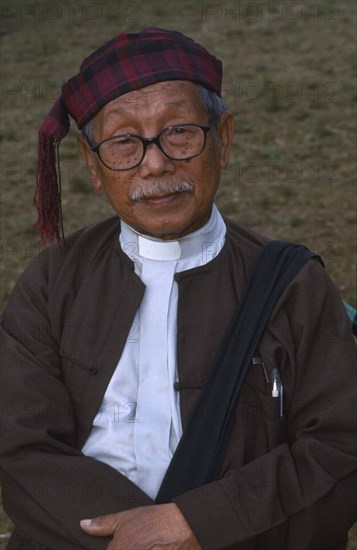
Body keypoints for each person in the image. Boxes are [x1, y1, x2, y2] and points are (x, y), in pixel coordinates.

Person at [0, 27, 356, 550]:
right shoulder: (52, 283)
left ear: (224, 140)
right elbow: (19, 444)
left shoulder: (295, 285)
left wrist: (198, 525)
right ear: (93, 165)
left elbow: (339, 447)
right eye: (123, 141)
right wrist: (130, 540)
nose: (156, 162)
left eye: (181, 132)